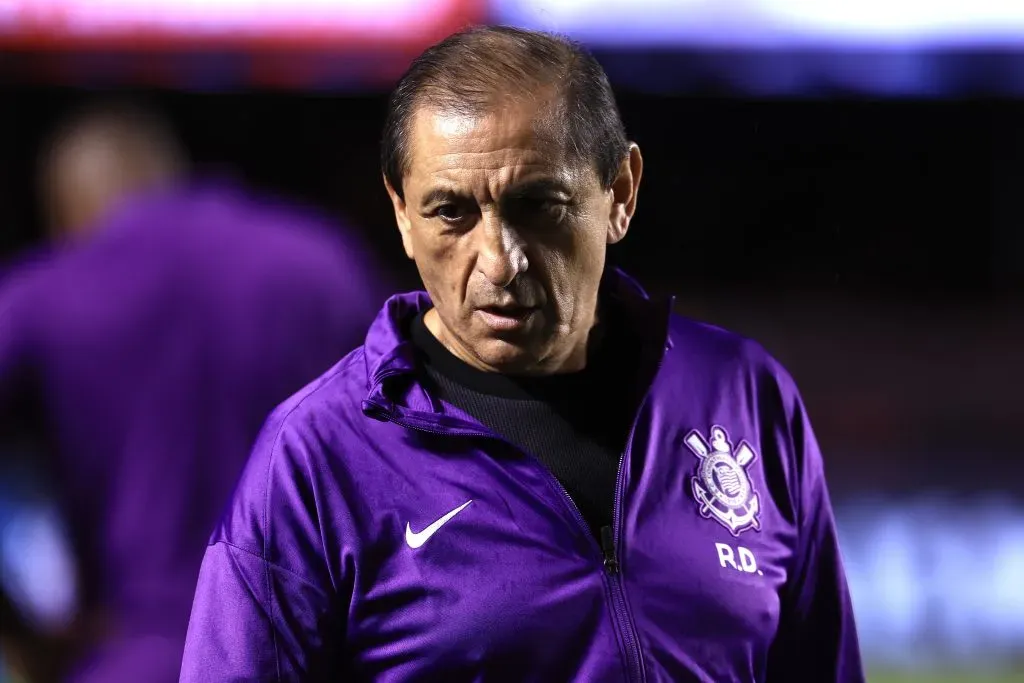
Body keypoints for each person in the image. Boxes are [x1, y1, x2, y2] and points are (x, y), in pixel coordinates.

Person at [181, 25, 864, 682]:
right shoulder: (315, 457)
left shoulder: (744, 397)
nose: (499, 261)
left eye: (538, 205)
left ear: (621, 193)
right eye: (451, 211)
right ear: (401, 215)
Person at [0, 101, 391, 683]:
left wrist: (25, 637)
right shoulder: (322, 261)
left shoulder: (48, 289)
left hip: (133, 658)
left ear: (68, 206)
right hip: (313, 655)